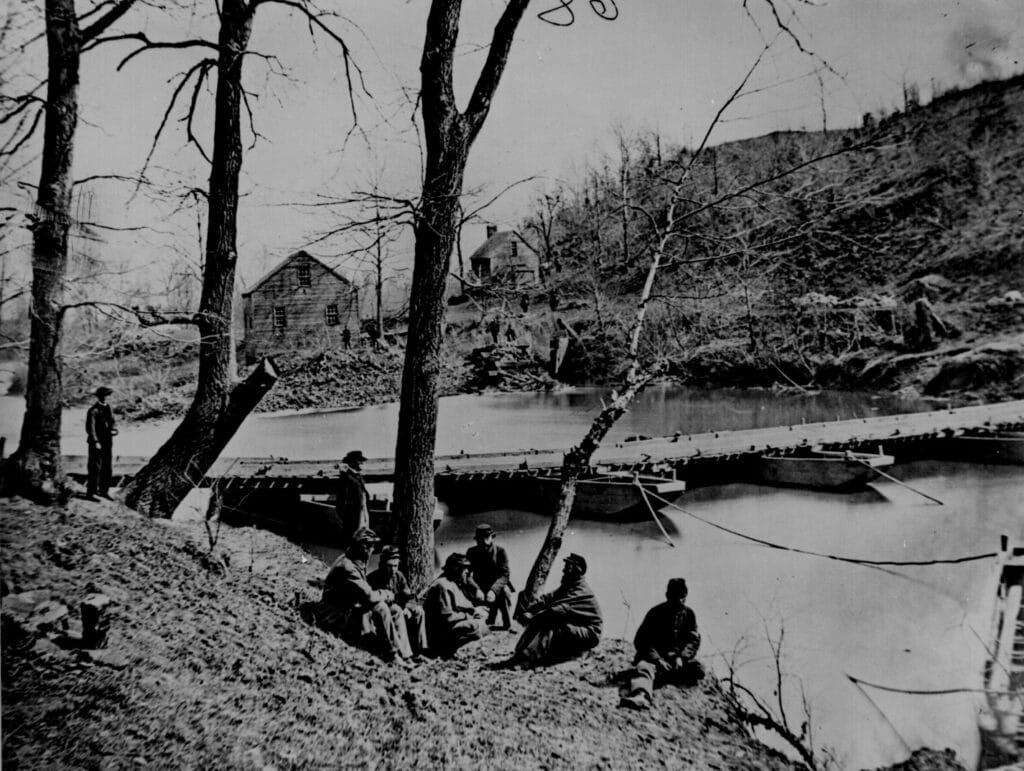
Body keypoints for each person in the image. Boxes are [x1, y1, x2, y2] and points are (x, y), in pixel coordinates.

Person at [318, 528, 412, 661]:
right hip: (335, 615)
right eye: (371, 547)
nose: (372, 550)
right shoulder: (348, 567)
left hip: (346, 609)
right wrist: (386, 594)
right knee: (381, 607)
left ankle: (405, 654)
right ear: (364, 548)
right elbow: (370, 596)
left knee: (395, 610)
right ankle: (392, 655)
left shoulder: (354, 561)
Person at [502, 553, 602, 669]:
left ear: (577, 570)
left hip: (590, 632)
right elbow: (549, 598)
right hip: (576, 625)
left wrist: (532, 617)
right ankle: (520, 654)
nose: (564, 570)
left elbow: (555, 611)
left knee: (551, 622)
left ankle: (528, 659)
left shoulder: (580, 591)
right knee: (543, 620)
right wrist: (531, 609)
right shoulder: (570, 585)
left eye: (568, 567)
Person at [619, 578, 704, 710]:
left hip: (676, 661)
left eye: (682, 597)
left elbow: (693, 640)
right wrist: (658, 660)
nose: (680, 601)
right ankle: (641, 695)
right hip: (655, 660)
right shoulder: (656, 613)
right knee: (644, 667)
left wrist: (681, 657)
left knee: (698, 668)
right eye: (675, 597)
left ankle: (665, 677)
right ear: (667, 595)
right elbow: (642, 640)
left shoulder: (689, 614)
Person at [422, 553, 489, 657]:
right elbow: (447, 618)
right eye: (464, 568)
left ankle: (466, 649)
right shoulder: (442, 585)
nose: (467, 572)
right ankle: (448, 651)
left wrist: (475, 611)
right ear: (456, 568)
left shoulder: (454, 583)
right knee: (474, 625)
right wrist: (470, 616)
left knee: (482, 625)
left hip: (450, 627)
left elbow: (461, 607)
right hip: (440, 633)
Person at [368, 545, 428, 656]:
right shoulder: (374, 578)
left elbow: (408, 596)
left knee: (419, 611)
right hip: (384, 611)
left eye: (395, 566)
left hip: (399, 606)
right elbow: (374, 601)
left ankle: (420, 652)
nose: (393, 569)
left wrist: (407, 607)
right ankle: (405, 654)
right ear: (383, 564)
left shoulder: (399, 576)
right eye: (390, 566)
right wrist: (400, 607)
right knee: (397, 610)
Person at [466, 524, 514, 629]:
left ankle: (507, 624)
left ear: (492, 537)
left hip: (497, 585)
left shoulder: (500, 551)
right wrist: (476, 588)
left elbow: (505, 575)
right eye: (481, 538)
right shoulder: (471, 552)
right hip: (479, 586)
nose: (484, 541)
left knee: (505, 591)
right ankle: (474, 622)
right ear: (477, 539)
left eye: (487, 537)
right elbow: (467, 575)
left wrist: (493, 590)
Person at [85, 386, 118, 501]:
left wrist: (113, 429)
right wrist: (96, 441)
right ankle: (91, 493)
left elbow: (112, 421)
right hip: (97, 442)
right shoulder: (93, 410)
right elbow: (90, 428)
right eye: (106, 395)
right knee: (95, 467)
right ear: (100, 397)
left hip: (107, 441)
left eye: (109, 395)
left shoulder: (108, 408)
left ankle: (104, 491)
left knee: (107, 466)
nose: (108, 397)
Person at [334, 450, 370, 544]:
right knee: (353, 537)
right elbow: (342, 498)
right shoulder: (347, 477)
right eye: (359, 461)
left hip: (362, 511)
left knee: (361, 535)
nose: (362, 463)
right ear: (353, 462)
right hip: (353, 514)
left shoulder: (357, 476)